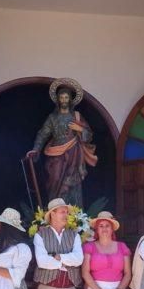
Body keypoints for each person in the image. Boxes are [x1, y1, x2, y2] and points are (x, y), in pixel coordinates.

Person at [26, 78, 97, 208]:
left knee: (73, 183)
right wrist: (36, 149)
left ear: (70, 100)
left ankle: (75, 213)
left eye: (66, 97)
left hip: (74, 154)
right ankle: (54, 210)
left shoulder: (76, 116)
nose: (64, 100)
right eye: (61, 98)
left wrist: (80, 129)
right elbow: (43, 134)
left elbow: (89, 135)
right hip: (56, 155)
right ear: (58, 100)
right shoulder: (52, 118)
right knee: (56, 179)